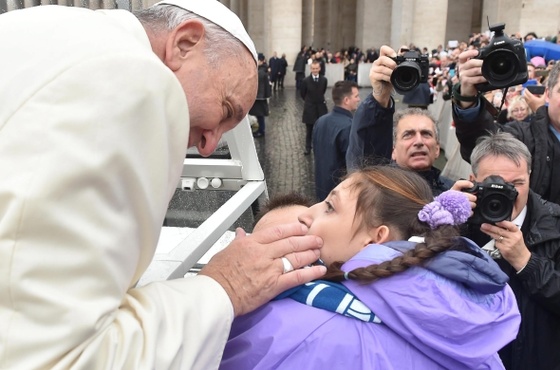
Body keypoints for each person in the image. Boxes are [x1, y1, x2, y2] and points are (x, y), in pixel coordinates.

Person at [0, 1, 326, 369]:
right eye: (226, 110)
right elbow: (64, 357)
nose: (207, 146)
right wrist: (224, 287)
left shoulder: (35, 27)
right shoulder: (132, 77)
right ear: (185, 43)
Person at [221, 166, 521, 370]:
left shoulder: (296, 325)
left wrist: (225, 286)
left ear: (375, 238)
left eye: (329, 206)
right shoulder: (471, 324)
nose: (308, 214)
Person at [453, 53, 560, 369]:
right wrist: (467, 97)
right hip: (526, 270)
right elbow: (483, 143)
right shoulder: (523, 134)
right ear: (547, 94)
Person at [346, 45, 454, 196]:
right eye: (408, 135)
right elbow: (363, 164)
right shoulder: (380, 192)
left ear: (437, 149)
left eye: (426, 134)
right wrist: (380, 97)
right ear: (393, 151)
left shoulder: (455, 193)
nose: (419, 142)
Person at [312, 80, 360, 201]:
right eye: (356, 96)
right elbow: (352, 164)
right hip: (339, 192)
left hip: (321, 186)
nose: (359, 99)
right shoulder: (349, 126)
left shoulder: (320, 121)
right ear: (346, 100)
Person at [300, 60, 328, 155]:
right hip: (310, 108)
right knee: (309, 130)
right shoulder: (305, 81)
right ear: (310, 69)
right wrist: (309, 101)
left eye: (316, 68)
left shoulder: (324, 80)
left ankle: (320, 147)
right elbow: (302, 93)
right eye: (313, 68)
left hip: (321, 108)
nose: (315, 70)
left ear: (319, 69)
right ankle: (308, 147)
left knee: (321, 129)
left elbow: (322, 91)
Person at [249, 53, 271, 137]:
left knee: (260, 115)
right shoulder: (262, 70)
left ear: (261, 61)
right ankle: (261, 130)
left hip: (259, 97)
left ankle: (261, 131)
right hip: (261, 97)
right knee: (259, 116)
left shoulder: (260, 72)